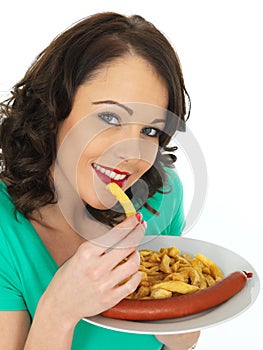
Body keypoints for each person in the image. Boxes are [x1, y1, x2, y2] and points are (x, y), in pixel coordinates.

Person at [0, 12, 200, 350]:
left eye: (150, 130)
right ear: (55, 108)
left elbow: (178, 342)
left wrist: (178, 326)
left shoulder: (164, 197)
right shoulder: (6, 229)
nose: (131, 153)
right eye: (109, 117)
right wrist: (59, 311)